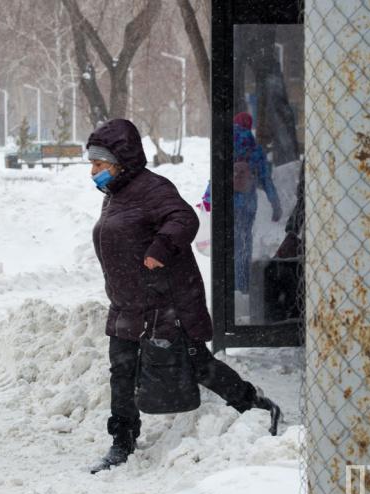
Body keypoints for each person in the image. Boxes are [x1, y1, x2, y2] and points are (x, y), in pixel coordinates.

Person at [88, 119, 283, 474]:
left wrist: (160, 247)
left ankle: (253, 403)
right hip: (127, 303)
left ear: (120, 161)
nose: (93, 171)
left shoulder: (153, 188)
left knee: (198, 364)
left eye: (99, 164)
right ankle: (122, 440)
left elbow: (184, 218)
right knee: (122, 370)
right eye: (92, 164)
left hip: (164, 303)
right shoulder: (115, 196)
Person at [232, 111, 281, 294]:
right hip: (247, 204)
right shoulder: (255, 149)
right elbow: (266, 179)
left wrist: (208, 200)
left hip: (227, 204)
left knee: (228, 244)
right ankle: (242, 285)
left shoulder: (225, 143)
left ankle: (229, 284)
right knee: (244, 244)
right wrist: (275, 204)